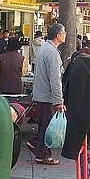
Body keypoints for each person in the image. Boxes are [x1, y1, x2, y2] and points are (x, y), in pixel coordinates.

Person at [26, 23, 67, 165]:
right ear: (58, 35)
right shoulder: (52, 53)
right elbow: (55, 80)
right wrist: (58, 101)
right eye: (64, 33)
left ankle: (37, 147)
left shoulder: (44, 48)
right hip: (47, 96)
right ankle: (42, 153)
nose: (65, 35)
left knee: (45, 125)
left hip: (41, 94)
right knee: (47, 126)